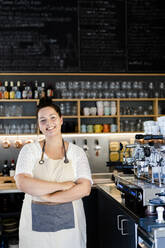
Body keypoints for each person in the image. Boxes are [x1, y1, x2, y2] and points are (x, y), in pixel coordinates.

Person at [15, 97, 92, 248]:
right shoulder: (29, 150)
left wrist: (48, 198)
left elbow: (84, 188)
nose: (49, 123)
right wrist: (63, 186)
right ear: (39, 125)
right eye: (43, 120)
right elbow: (22, 182)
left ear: (61, 120)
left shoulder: (76, 152)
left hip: (70, 230)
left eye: (52, 118)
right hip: (35, 230)